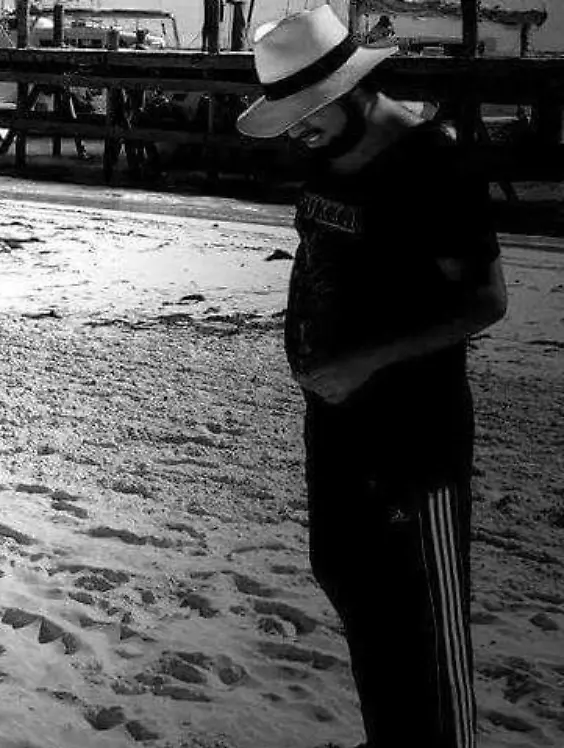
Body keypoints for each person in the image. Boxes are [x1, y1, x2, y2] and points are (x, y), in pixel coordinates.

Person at [236, 7, 507, 748]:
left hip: (412, 437)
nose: (297, 129)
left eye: (308, 112)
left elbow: (486, 301)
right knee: (351, 581)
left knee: (422, 619)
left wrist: (365, 358)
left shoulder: (431, 165)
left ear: (351, 91)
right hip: (335, 423)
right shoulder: (329, 151)